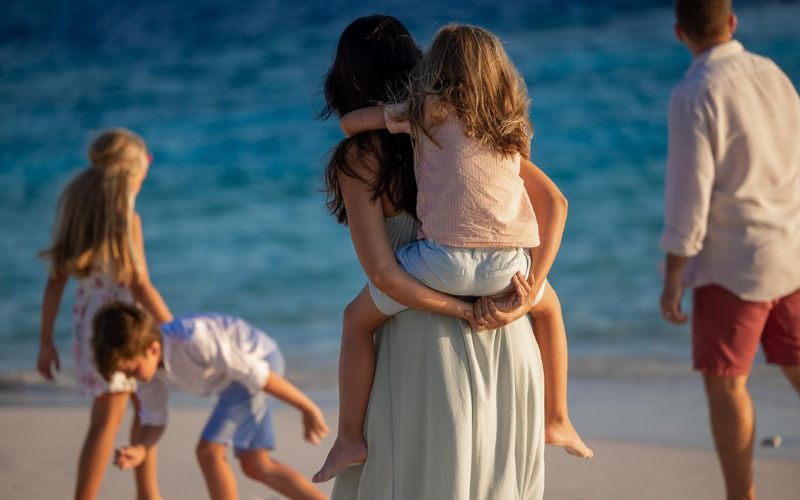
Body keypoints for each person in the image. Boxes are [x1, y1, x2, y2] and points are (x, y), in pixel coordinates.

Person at [314, 22, 590, 483]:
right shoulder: (488, 132)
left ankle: (346, 439)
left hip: (422, 355)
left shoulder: (368, 153)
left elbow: (383, 273)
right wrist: (528, 292)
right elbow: (553, 204)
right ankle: (558, 415)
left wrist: (461, 310)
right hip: (510, 336)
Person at [659, 1, 800, 498]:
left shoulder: (693, 93)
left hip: (734, 263)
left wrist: (674, 272)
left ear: (680, 32)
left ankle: (742, 495)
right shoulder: (774, 73)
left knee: (726, 382)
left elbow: (688, 197)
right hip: (791, 248)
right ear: (733, 22)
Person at [37, 128, 173, 500]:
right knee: (120, 416)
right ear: (130, 175)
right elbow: (141, 284)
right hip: (126, 328)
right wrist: (174, 330)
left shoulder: (78, 213)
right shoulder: (127, 219)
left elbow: (55, 283)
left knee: (131, 411)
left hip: (88, 327)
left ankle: (147, 493)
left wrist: (46, 341)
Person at [90, 302, 330, 500]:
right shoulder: (148, 370)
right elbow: (155, 418)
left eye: (132, 370)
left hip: (259, 360)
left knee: (208, 452)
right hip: (234, 381)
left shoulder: (194, 340)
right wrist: (142, 449)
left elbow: (258, 374)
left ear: (152, 349)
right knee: (255, 464)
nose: (131, 379)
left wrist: (307, 408)